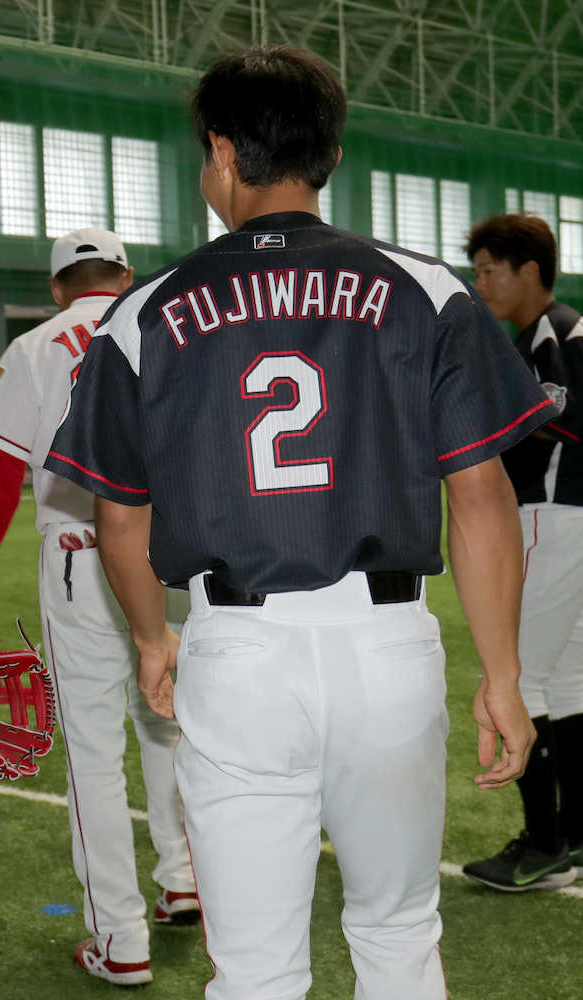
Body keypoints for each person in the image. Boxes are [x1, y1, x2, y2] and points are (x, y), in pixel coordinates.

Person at [44, 45, 554, 1000]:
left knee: (255, 968)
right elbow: (480, 496)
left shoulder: (142, 312)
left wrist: (152, 640)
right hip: (385, 644)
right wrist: (502, 677)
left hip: (236, 649)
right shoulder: (427, 289)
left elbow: (120, 518)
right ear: (329, 154)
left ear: (224, 154)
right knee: (398, 931)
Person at [0, 228, 199, 988]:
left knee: (96, 758)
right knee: (170, 725)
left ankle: (120, 940)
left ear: (58, 287)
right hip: (171, 559)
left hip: (81, 561)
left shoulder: (33, 348)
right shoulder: (173, 330)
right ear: (125, 276)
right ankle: (184, 879)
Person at [461, 214, 583, 890]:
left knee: (523, 677)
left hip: (553, 514)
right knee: (567, 680)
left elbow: (550, 417)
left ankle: (541, 847)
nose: (479, 284)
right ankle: (573, 835)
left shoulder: (554, 335)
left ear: (527, 269)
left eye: (487, 269)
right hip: (572, 518)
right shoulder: (552, 333)